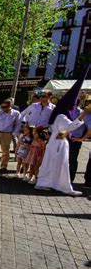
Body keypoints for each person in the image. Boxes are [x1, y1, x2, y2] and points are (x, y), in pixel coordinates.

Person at [35, 67, 91, 196]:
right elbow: (71, 126)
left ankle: (55, 183)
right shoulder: (61, 116)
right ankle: (46, 183)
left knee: (59, 164)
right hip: (57, 143)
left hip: (60, 142)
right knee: (54, 163)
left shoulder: (61, 115)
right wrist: (83, 115)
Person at [0, 98, 21, 171]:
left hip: (7, 134)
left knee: (5, 151)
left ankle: (3, 166)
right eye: (2, 107)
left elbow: (18, 124)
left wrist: (14, 133)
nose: (3, 108)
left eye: (5, 107)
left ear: (10, 106)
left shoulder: (16, 113)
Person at [69, 95, 91, 186]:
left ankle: (69, 180)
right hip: (62, 140)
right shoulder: (65, 112)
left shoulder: (84, 113)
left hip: (74, 141)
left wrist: (81, 139)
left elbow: (90, 129)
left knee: (72, 161)